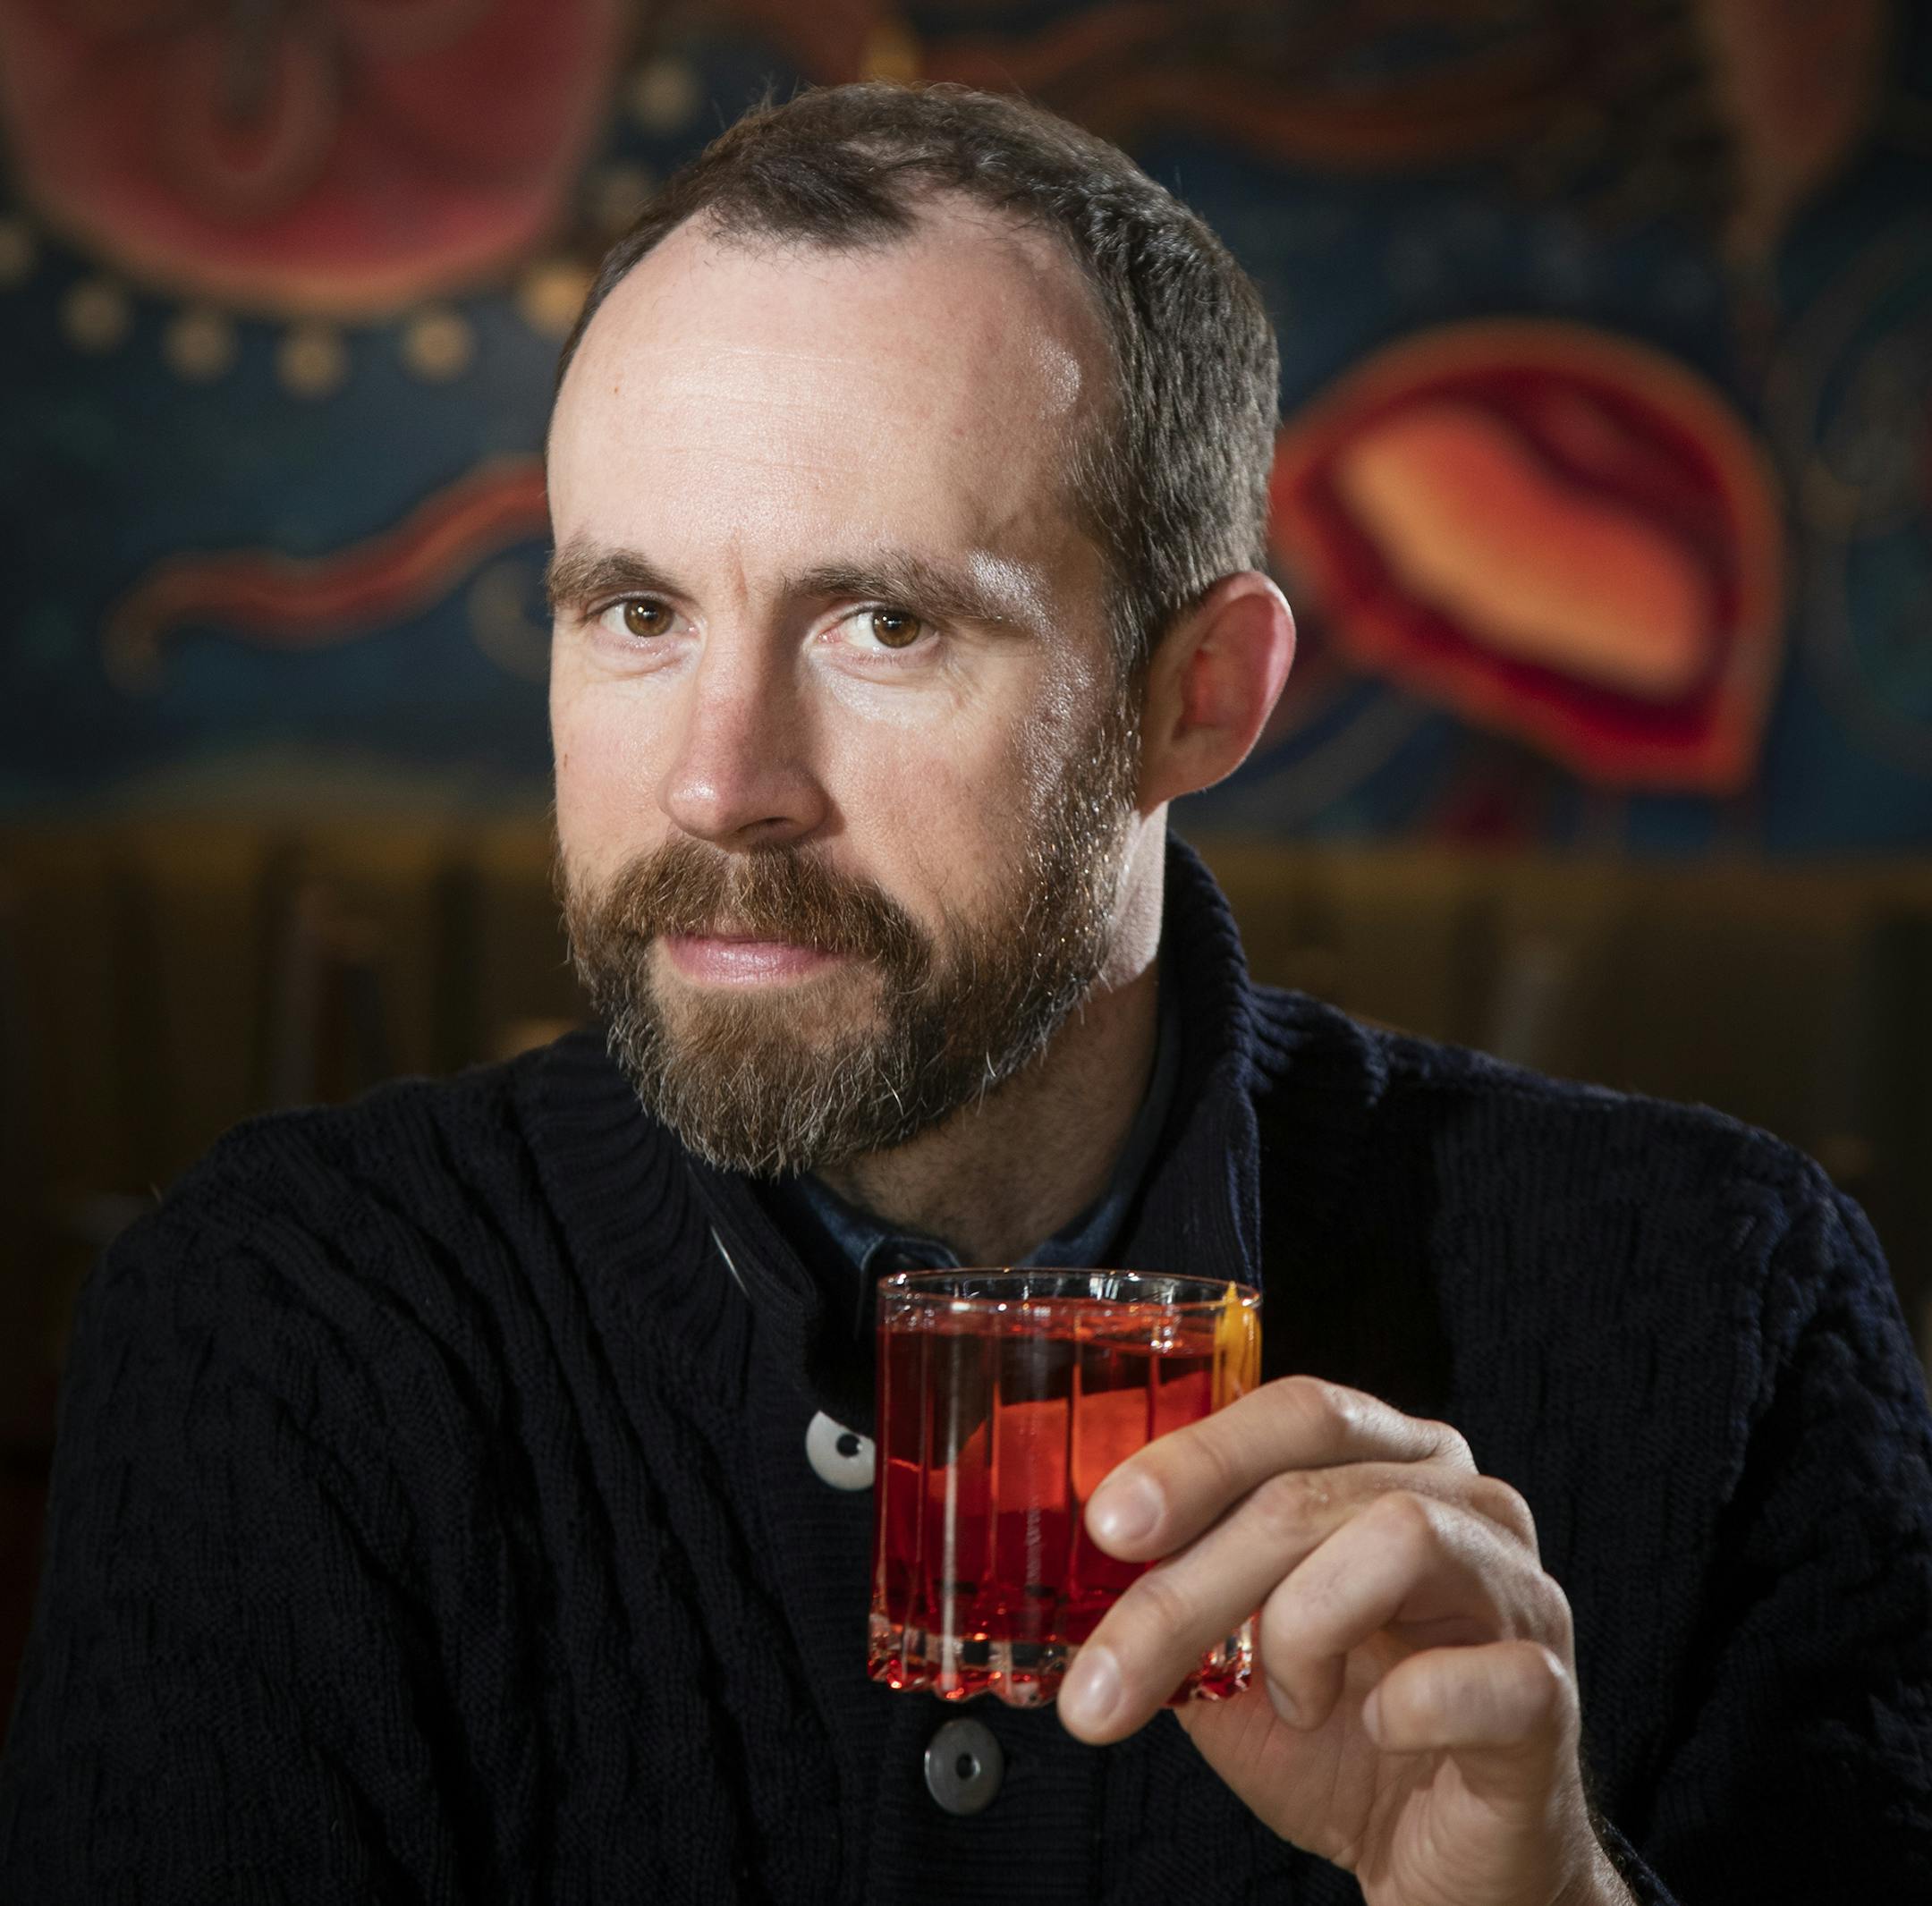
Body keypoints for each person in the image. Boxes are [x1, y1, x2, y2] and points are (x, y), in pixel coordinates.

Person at [4, 80, 1929, 1906]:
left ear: (1203, 694)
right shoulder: (290, 1318)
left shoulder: (1716, 1305)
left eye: (885, 622)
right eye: (638, 612)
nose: (716, 777)